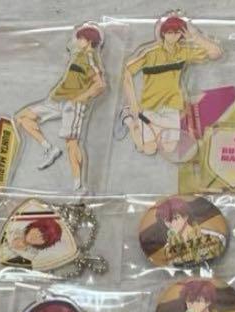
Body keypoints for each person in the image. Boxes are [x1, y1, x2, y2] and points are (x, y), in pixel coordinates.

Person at [15, 23, 106, 191]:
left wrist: (79, 99)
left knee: (72, 143)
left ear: (89, 41)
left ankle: (78, 185)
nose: (77, 41)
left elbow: (100, 85)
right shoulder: (78, 55)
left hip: (72, 104)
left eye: (81, 38)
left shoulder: (90, 58)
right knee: (22, 117)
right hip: (56, 100)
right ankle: (49, 148)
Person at [118, 14, 222, 159]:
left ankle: (135, 125)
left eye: (177, 32)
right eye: (170, 32)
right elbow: (127, 72)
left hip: (172, 106)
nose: (173, 36)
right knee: (148, 149)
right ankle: (129, 121)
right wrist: (133, 104)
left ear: (181, 34)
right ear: (163, 33)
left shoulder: (184, 52)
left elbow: (215, 53)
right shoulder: (150, 54)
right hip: (150, 106)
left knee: (169, 149)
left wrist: (195, 36)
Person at [155, 196, 226, 264]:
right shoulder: (168, 248)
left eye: (176, 218)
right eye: (167, 221)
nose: (172, 224)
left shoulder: (214, 237)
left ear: (185, 217)